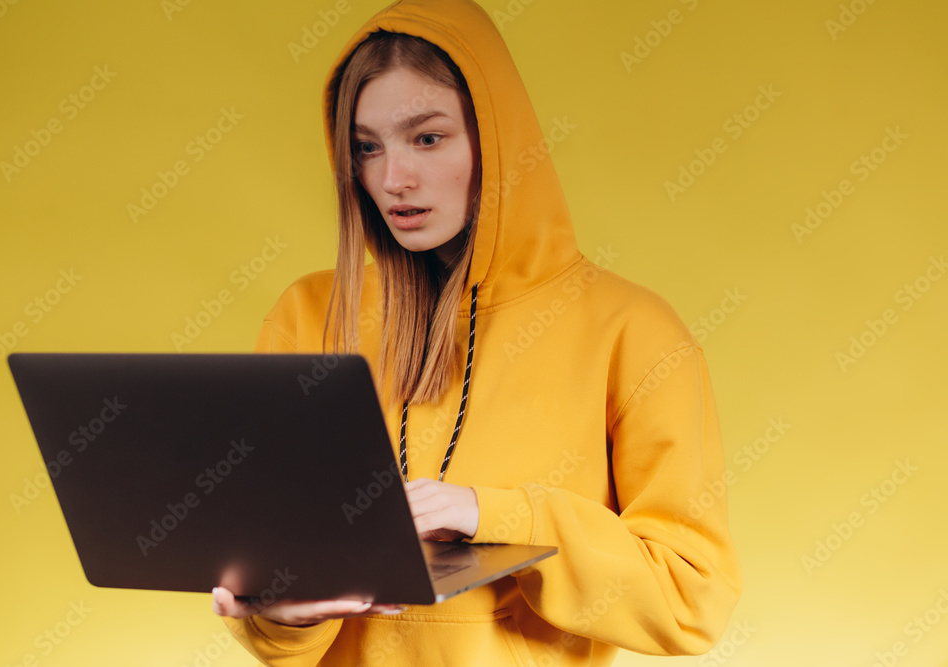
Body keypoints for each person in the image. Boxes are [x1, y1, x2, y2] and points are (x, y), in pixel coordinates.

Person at [213, 0, 741, 664]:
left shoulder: (631, 330)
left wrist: (493, 516)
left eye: (428, 138)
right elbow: (279, 613)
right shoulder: (308, 314)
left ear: (498, 140)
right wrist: (282, 616)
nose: (393, 179)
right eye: (366, 147)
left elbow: (691, 600)